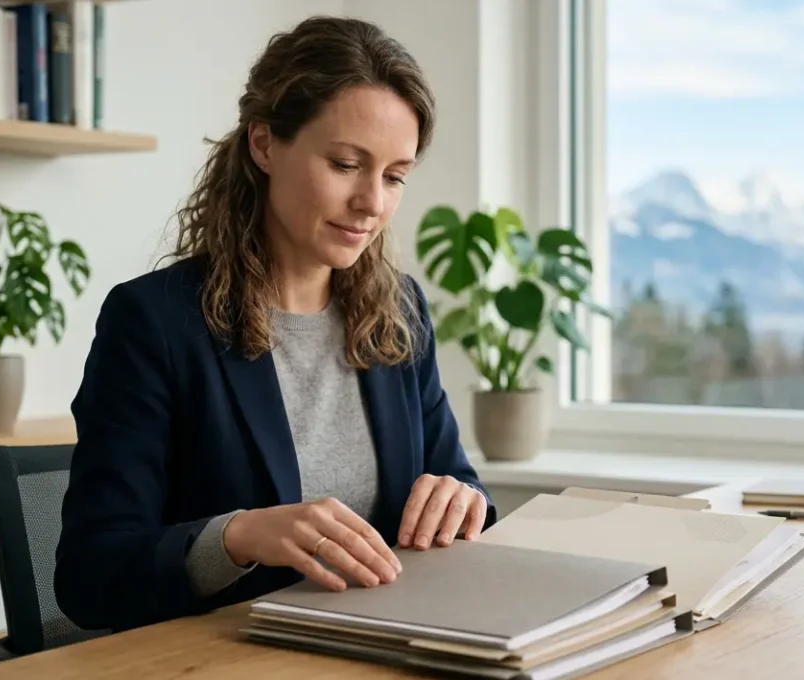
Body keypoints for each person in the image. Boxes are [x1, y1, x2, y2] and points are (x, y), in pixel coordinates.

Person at [53, 16, 497, 633]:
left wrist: (464, 499)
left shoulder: (400, 311)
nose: (373, 202)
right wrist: (237, 536)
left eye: (395, 176)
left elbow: (458, 485)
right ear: (264, 145)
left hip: (389, 647)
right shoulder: (154, 322)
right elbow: (89, 576)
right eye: (346, 164)